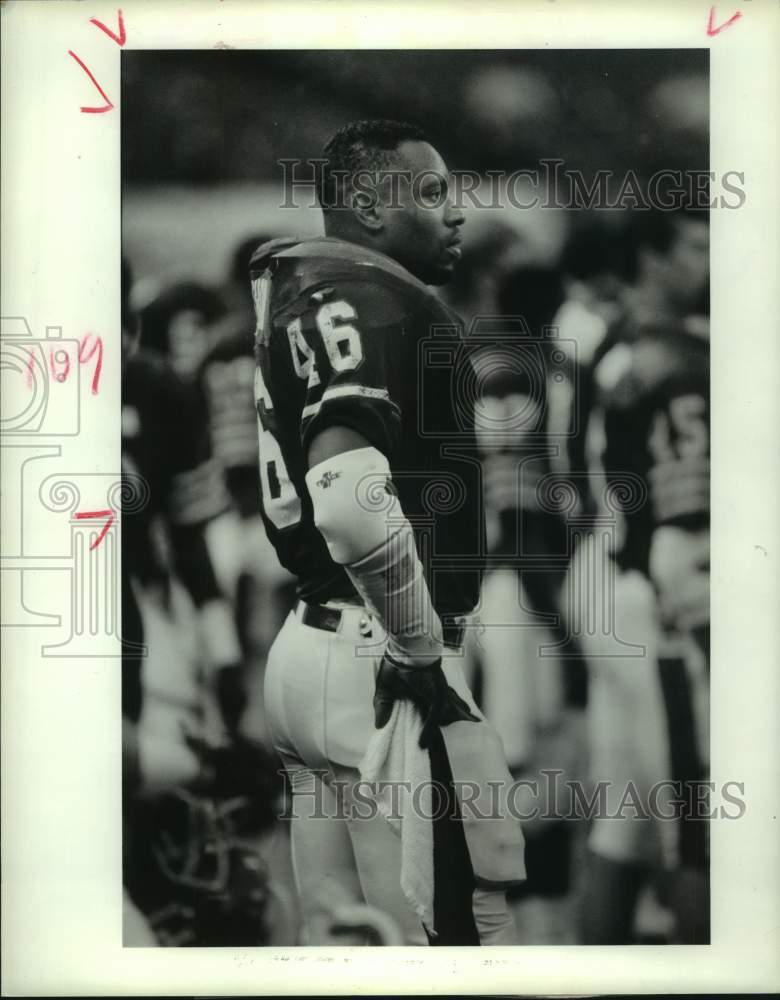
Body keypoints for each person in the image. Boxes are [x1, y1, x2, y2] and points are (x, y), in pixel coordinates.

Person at [251, 120, 526, 945]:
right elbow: (347, 497)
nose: (456, 214)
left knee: (343, 941)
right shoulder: (378, 304)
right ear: (370, 206)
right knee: (452, 938)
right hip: (378, 655)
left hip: (309, 645)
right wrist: (416, 648)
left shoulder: (306, 292)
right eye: (434, 192)